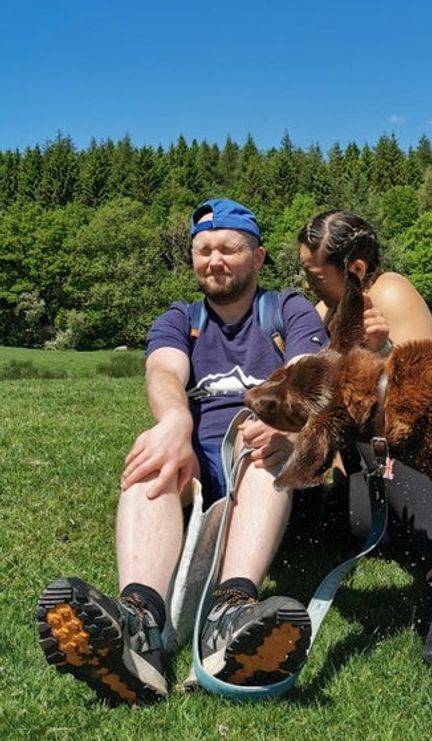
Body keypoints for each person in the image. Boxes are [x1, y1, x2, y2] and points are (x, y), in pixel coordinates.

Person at [36, 199, 328, 704]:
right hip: (197, 470)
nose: (214, 260)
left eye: (229, 249)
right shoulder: (181, 319)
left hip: (267, 468)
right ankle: (139, 627)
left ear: (258, 257)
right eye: (203, 250)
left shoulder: (287, 310)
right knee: (152, 461)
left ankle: (230, 610)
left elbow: (307, 372)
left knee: (260, 446)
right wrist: (174, 422)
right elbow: (164, 372)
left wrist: (290, 420)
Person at [298, 210, 432, 663]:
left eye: (314, 275)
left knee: (381, 449)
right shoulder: (319, 315)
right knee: (306, 506)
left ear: (354, 267)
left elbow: (427, 403)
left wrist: (384, 352)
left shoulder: (389, 292)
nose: (308, 284)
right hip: (374, 489)